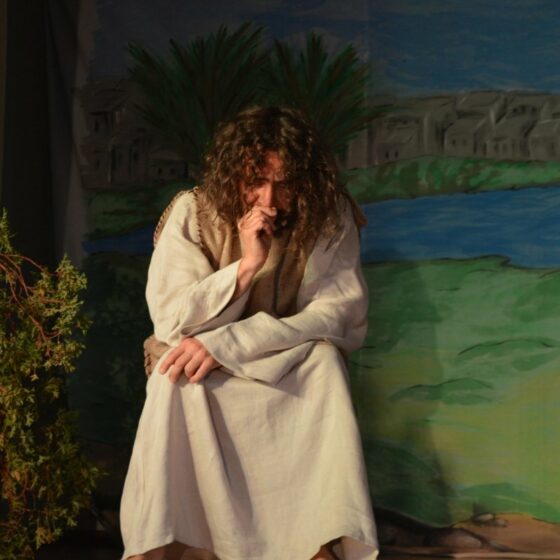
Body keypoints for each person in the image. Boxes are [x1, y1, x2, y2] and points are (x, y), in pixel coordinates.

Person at [120, 106, 378, 560]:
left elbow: (339, 313)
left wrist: (232, 343)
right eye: (256, 181)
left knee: (324, 364)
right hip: (201, 364)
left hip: (283, 358)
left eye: (285, 183)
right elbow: (172, 320)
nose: (270, 200)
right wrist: (247, 267)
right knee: (174, 374)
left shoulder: (327, 213)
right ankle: (173, 542)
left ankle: (314, 543)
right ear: (233, 171)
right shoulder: (193, 212)